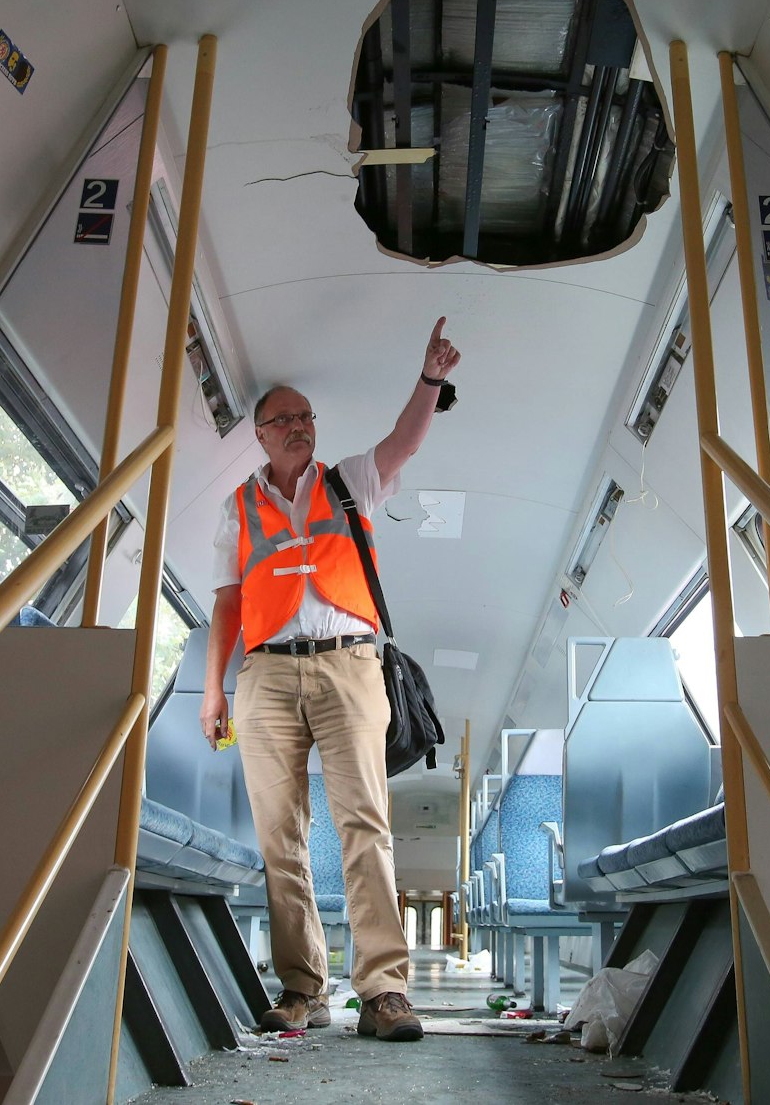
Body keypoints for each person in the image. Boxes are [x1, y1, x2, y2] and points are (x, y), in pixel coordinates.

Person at [201, 318, 462, 1043]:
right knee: (279, 834)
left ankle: (382, 990)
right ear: (259, 434)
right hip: (265, 676)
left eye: (305, 417)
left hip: (350, 663)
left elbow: (406, 440)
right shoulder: (239, 508)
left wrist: (430, 377)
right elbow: (227, 603)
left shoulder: (349, 481)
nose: (297, 427)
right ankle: (302, 987)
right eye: (282, 419)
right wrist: (214, 688)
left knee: (363, 823)